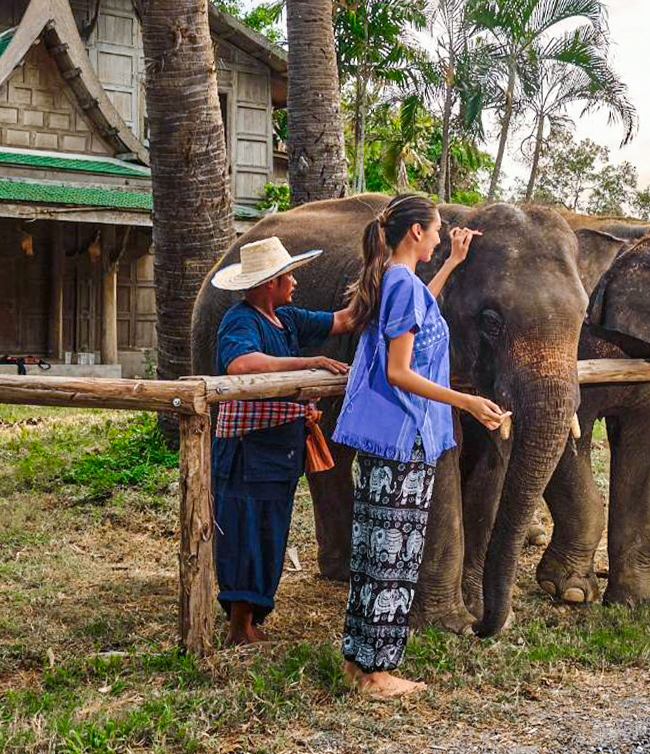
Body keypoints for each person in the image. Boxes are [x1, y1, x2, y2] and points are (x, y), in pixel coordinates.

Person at [333, 194, 509, 700]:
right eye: (436, 232)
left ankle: (358, 662)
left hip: (382, 438)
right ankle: (377, 675)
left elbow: (417, 316)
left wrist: (452, 262)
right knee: (394, 557)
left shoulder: (395, 280)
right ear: (414, 233)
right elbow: (399, 370)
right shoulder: (401, 285)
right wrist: (468, 401)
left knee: (371, 552)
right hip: (403, 438)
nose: (439, 238)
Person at [209, 236, 355, 647]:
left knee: (271, 529)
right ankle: (239, 625)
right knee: (245, 530)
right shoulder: (240, 321)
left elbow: (342, 321)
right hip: (248, 449)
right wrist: (308, 362)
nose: (294, 283)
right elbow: (241, 364)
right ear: (269, 283)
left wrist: (381, 274)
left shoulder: (286, 320)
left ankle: (252, 616)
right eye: (288, 276)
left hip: (278, 450)